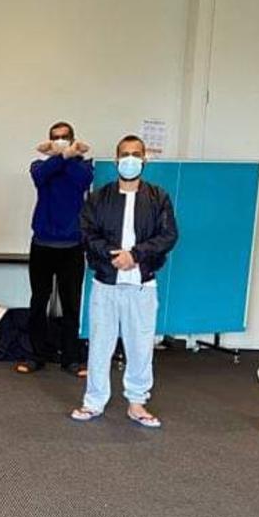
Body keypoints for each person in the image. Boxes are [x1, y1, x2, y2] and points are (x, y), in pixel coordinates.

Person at [71, 135, 178, 428]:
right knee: (100, 345)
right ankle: (93, 401)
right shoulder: (99, 197)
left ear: (144, 159)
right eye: (125, 154)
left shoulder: (159, 197)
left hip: (143, 284)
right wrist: (110, 254)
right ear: (117, 160)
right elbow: (87, 233)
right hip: (106, 282)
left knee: (141, 345)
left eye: (136, 154)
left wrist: (136, 255)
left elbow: (168, 235)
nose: (130, 159)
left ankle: (137, 402)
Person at [20, 121, 93, 377]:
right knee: (39, 301)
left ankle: (71, 359)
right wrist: (61, 154)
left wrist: (70, 156)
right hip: (42, 244)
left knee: (71, 304)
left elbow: (82, 181)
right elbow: (41, 178)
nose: (60, 140)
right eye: (55, 137)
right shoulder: (40, 165)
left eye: (64, 138)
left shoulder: (83, 166)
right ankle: (36, 356)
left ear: (72, 139)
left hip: (72, 246)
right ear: (49, 140)